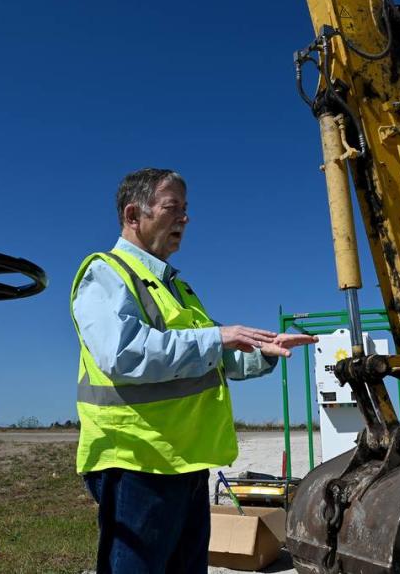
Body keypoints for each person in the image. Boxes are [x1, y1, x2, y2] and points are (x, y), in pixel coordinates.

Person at [70, 167, 316, 574]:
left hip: (183, 462)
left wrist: (263, 351)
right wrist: (218, 337)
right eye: (173, 208)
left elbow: (212, 357)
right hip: (136, 461)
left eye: (186, 209)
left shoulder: (177, 288)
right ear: (134, 215)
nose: (185, 218)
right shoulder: (107, 273)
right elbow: (123, 353)